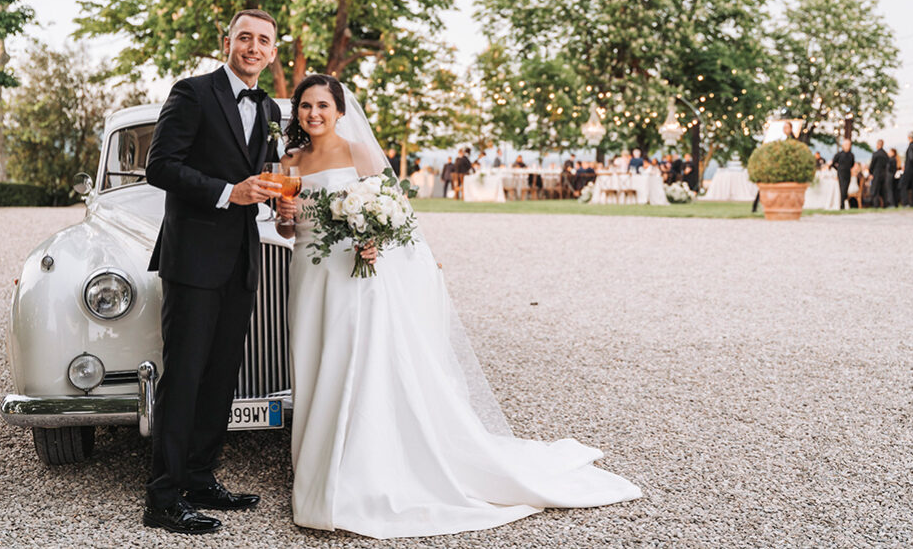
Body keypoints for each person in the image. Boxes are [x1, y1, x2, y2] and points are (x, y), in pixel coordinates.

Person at [273, 76, 641, 539]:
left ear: (340, 111)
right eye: (305, 106)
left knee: (352, 365)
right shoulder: (290, 160)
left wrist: (374, 243)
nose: (313, 114)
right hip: (308, 275)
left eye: (322, 105)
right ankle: (317, 466)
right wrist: (286, 220)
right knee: (313, 364)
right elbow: (288, 231)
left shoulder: (358, 154)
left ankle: (354, 475)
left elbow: (397, 216)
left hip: (354, 277)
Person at [142, 9, 283, 535]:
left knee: (222, 376)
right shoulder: (192, 92)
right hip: (194, 259)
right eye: (244, 37)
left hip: (243, 259)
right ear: (227, 42)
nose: (252, 47)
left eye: (263, 41)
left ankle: (200, 478)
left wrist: (276, 204)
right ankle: (161, 498)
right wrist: (230, 193)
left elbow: (264, 176)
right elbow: (160, 166)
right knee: (183, 379)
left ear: (272, 53)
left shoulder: (269, 107)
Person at [831, 139, 855, 210]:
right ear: (843, 145)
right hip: (841, 173)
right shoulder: (839, 155)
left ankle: (844, 203)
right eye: (846, 145)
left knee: (845, 188)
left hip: (848, 173)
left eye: (848, 145)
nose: (847, 146)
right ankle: (842, 205)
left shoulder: (851, 155)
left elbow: (852, 164)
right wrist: (838, 169)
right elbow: (833, 164)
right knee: (842, 188)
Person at [868, 139, 888, 208]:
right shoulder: (885, 154)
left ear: (878, 144)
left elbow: (872, 164)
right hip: (884, 174)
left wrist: (870, 172)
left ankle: (876, 205)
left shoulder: (876, 154)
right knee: (883, 190)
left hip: (876, 173)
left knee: (875, 190)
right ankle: (885, 204)